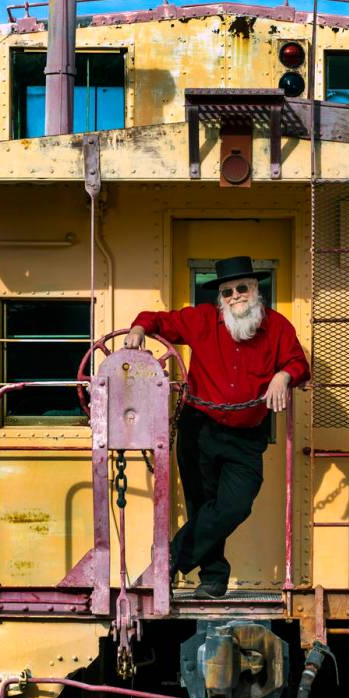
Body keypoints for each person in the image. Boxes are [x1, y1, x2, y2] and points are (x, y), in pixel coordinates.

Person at [125, 255, 310, 598]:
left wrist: (284, 376)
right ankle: (213, 579)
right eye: (228, 291)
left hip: (246, 436)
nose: (236, 295)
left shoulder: (279, 326)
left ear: (256, 290)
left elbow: (299, 363)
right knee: (202, 504)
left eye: (243, 288)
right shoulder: (202, 320)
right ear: (220, 298)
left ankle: (168, 561)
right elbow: (158, 320)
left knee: (234, 505)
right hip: (200, 429)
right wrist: (138, 329)